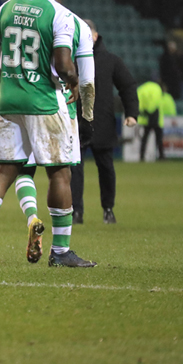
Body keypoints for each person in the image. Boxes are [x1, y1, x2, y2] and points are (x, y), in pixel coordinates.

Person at [0, 0, 95, 268]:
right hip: (44, 102)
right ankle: (61, 252)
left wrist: (7, 81)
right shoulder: (59, 14)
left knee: (6, 169)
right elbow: (64, 63)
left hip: (9, 101)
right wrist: (74, 82)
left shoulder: (7, 6)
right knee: (60, 173)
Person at [8, 8, 95, 255]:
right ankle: (60, 250)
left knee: (24, 169)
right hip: (58, 104)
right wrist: (88, 118)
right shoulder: (74, 25)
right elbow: (85, 80)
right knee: (59, 174)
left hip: (21, 99)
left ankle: (32, 217)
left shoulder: (21, 15)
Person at [69, 21, 137, 224]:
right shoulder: (70, 59)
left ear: (96, 36)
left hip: (103, 124)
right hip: (77, 124)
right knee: (74, 169)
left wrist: (131, 113)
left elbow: (127, 86)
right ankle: (76, 211)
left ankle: (108, 209)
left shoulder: (111, 61)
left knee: (106, 169)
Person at [138, 80, 171, 161]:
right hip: (155, 116)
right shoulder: (157, 89)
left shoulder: (142, 87)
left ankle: (141, 156)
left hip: (146, 117)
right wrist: (150, 110)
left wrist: (143, 110)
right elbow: (155, 102)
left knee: (145, 137)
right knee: (159, 138)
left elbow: (137, 99)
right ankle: (161, 156)